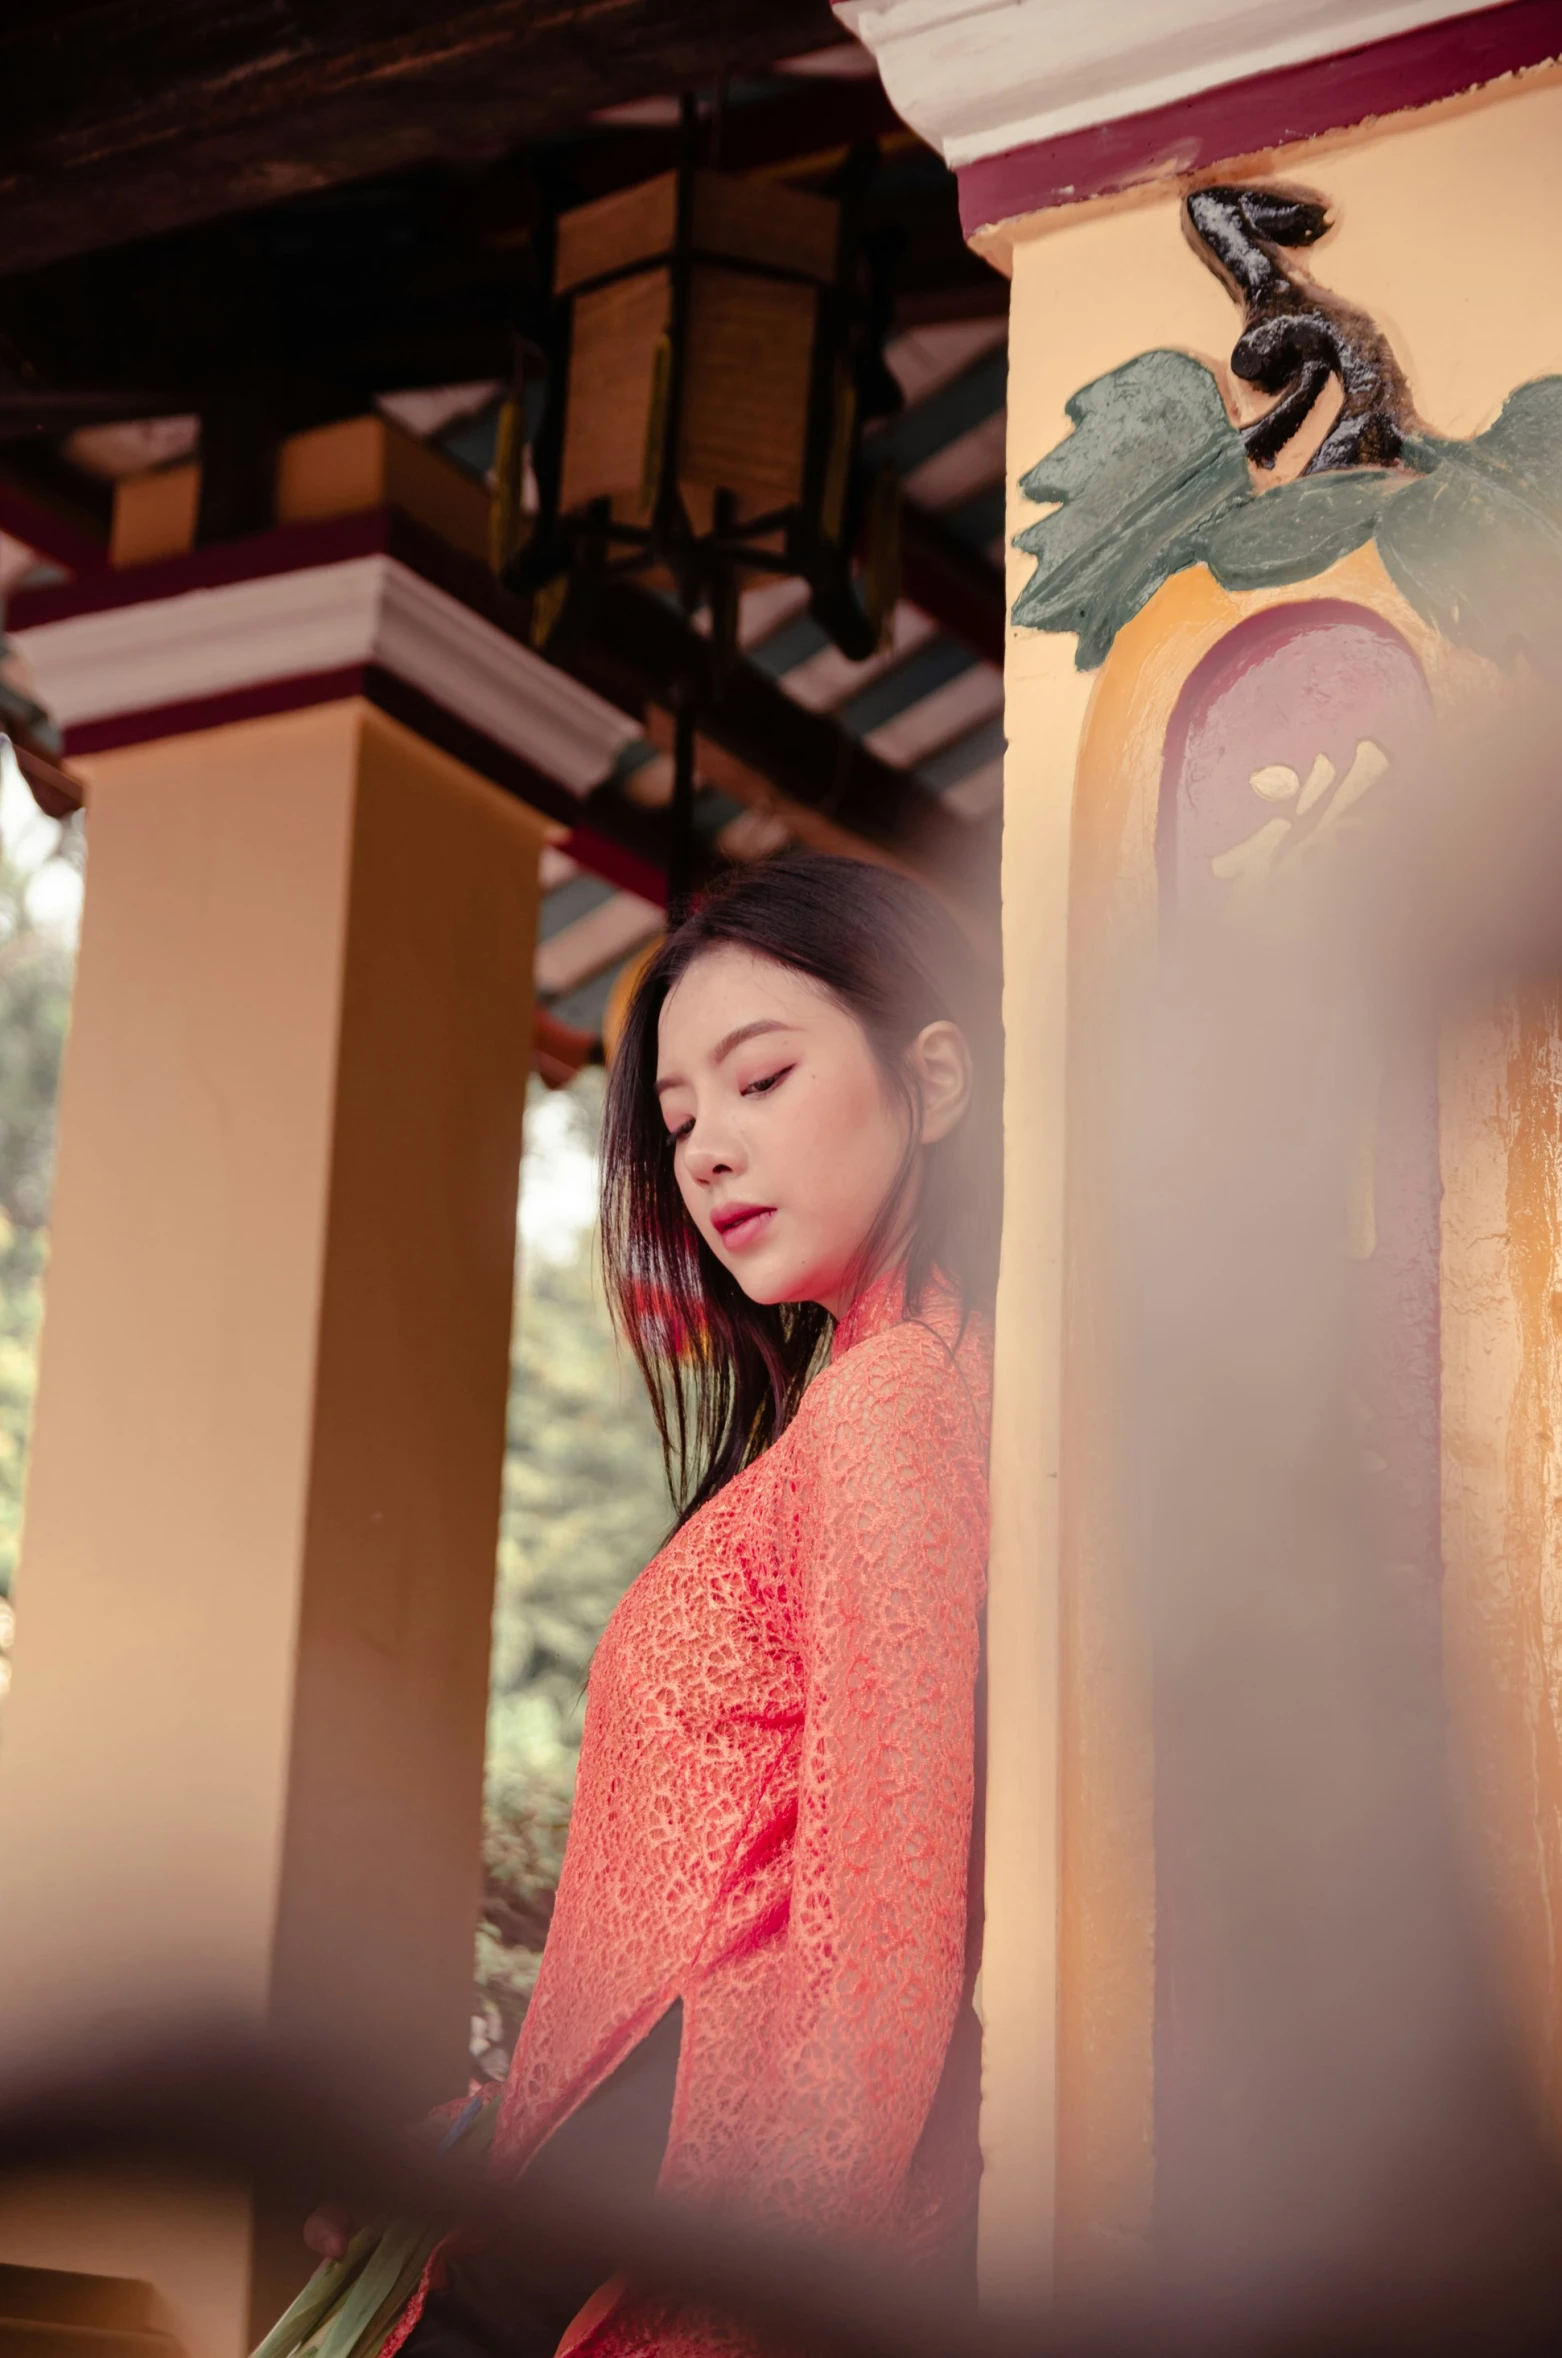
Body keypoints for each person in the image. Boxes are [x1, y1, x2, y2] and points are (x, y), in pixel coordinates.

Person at [308, 850, 998, 2358]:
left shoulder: (893, 1401)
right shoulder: (862, 1399)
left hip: (692, 2206)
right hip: (621, 2181)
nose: (705, 1151)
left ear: (935, 1078)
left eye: (760, 1079)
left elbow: (884, 1936)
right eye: (678, 1120)